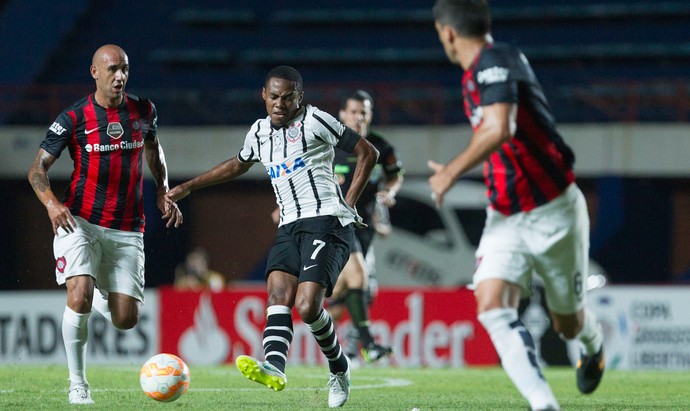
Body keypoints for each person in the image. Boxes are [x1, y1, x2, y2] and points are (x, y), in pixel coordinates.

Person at [165, 66, 378, 408]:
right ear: (264, 96)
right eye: (274, 96)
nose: (280, 103)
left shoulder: (315, 121)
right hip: (288, 226)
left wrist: (349, 202)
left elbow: (368, 152)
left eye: (288, 97)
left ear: (299, 97)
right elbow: (238, 164)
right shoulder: (260, 132)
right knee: (278, 293)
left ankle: (339, 368)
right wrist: (188, 187)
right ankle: (275, 366)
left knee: (308, 307)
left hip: (326, 221)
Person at [428, 2, 605, 410]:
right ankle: (544, 404)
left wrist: (450, 172)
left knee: (567, 322)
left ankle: (592, 345)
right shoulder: (473, 76)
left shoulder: (498, 60)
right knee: (491, 305)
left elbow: (500, 127)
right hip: (506, 215)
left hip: (554, 211)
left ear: (448, 32)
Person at [27, 44, 183, 405]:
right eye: (112, 69)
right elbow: (37, 169)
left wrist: (161, 190)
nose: (120, 76)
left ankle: (93, 295)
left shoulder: (144, 110)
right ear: (94, 72)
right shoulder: (73, 118)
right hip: (80, 220)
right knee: (78, 294)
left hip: (128, 226)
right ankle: (78, 383)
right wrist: (52, 204)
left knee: (126, 320)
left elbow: (153, 148)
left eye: (124, 69)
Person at [329, 90, 404, 364]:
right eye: (354, 111)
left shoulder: (380, 146)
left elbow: (396, 176)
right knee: (360, 278)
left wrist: (390, 192)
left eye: (364, 112)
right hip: (335, 222)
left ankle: (313, 309)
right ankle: (368, 344)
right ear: (342, 114)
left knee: (343, 295)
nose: (359, 117)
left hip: (365, 224)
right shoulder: (329, 143)